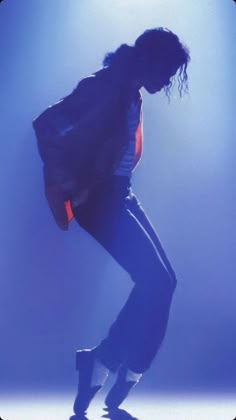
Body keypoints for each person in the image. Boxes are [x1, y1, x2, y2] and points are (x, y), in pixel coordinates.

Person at [33, 27, 190, 419]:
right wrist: (66, 181)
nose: (169, 80)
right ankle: (114, 364)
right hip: (101, 201)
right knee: (157, 282)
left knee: (163, 282)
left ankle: (107, 363)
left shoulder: (128, 87)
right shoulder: (103, 86)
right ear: (148, 59)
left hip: (119, 193)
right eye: (167, 70)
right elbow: (46, 125)